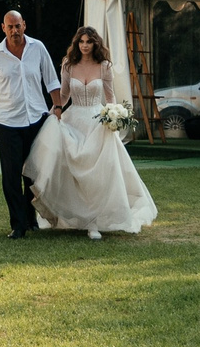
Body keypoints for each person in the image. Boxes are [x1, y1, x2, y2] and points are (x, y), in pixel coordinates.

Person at [22, 25, 157, 239]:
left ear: (95, 44)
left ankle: (94, 222)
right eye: (81, 42)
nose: (85, 45)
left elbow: (110, 97)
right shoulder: (68, 65)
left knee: (97, 173)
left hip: (97, 121)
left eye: (89, 42)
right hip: (73, 119)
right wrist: (53, 113)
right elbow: (64, 95)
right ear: (77, 44)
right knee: (71, 169)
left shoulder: (104, 66)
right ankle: (73, 216)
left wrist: (114, 116)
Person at [0, 9, 60, 237]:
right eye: (10, 27)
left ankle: (32, 217)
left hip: (36, 120)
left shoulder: (38, 48)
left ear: (25, 25)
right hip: (8, 122)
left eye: (18, 26)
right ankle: (18, 225)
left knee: (33, 174)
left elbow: (52, 81)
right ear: (3, 28)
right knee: (11, 176)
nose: (14, 30)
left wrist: (58, 108)